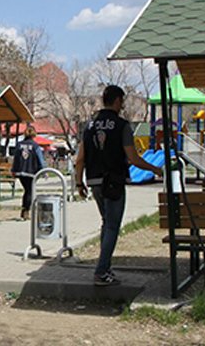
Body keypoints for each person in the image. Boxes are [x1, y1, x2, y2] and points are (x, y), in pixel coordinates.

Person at [75, 85, 163, 286]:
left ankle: (104, 267)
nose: (122, 105)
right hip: (114, 181)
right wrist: (155, 169)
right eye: (121, 101)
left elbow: (80, 159)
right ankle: (101, 271)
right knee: (113, 226)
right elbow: (133, 158)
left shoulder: (89, 126)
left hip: (94, 180)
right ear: (116, 101)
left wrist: (79, 182)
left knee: (106, 222)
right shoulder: (121, 125)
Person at [11, 127, 46, 221]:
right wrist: (44, 171)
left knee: (27, 190)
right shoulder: (35, 146)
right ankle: (26, 210)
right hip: (31, 170)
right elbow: (41, 159)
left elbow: (15, 159)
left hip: (20, 171)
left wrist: (13, 170)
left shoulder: (19, 145)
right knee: (29, 191)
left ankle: (24, 209)